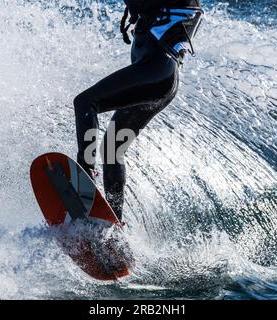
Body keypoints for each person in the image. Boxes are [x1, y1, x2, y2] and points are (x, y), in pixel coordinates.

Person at [73, 0, 203, 221]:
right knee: (112, 149)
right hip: (160, 80)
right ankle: (114, 222)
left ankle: (84, 178)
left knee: (86, 103)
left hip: (156, 71)